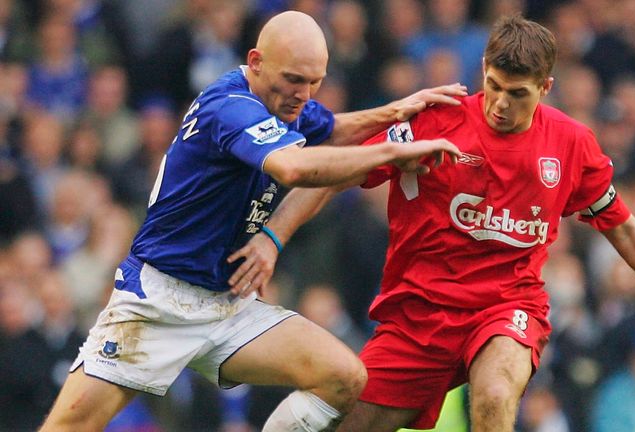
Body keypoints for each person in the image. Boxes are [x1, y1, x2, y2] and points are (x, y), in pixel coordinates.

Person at [256, 14, 635, 431]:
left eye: (517, 93)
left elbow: (622, 225)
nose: (500, 104)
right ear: (483, 69)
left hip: (507, 308)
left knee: (493, 394)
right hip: (419, 319)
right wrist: (273, 239)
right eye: (493, 86)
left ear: (545, 88)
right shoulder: (434, 120)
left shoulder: (571, 145)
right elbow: (331, 177)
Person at [40, 11, 465, 432]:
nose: (304, 94)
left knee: (344, 377)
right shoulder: (230, 106)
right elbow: (294, 168)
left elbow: (331, 129)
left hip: (227, 304)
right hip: (158, 303)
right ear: (256, 61)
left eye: (314, 82)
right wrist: (393, 153)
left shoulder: (281, 103)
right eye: (295, 80)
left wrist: (395, 111)